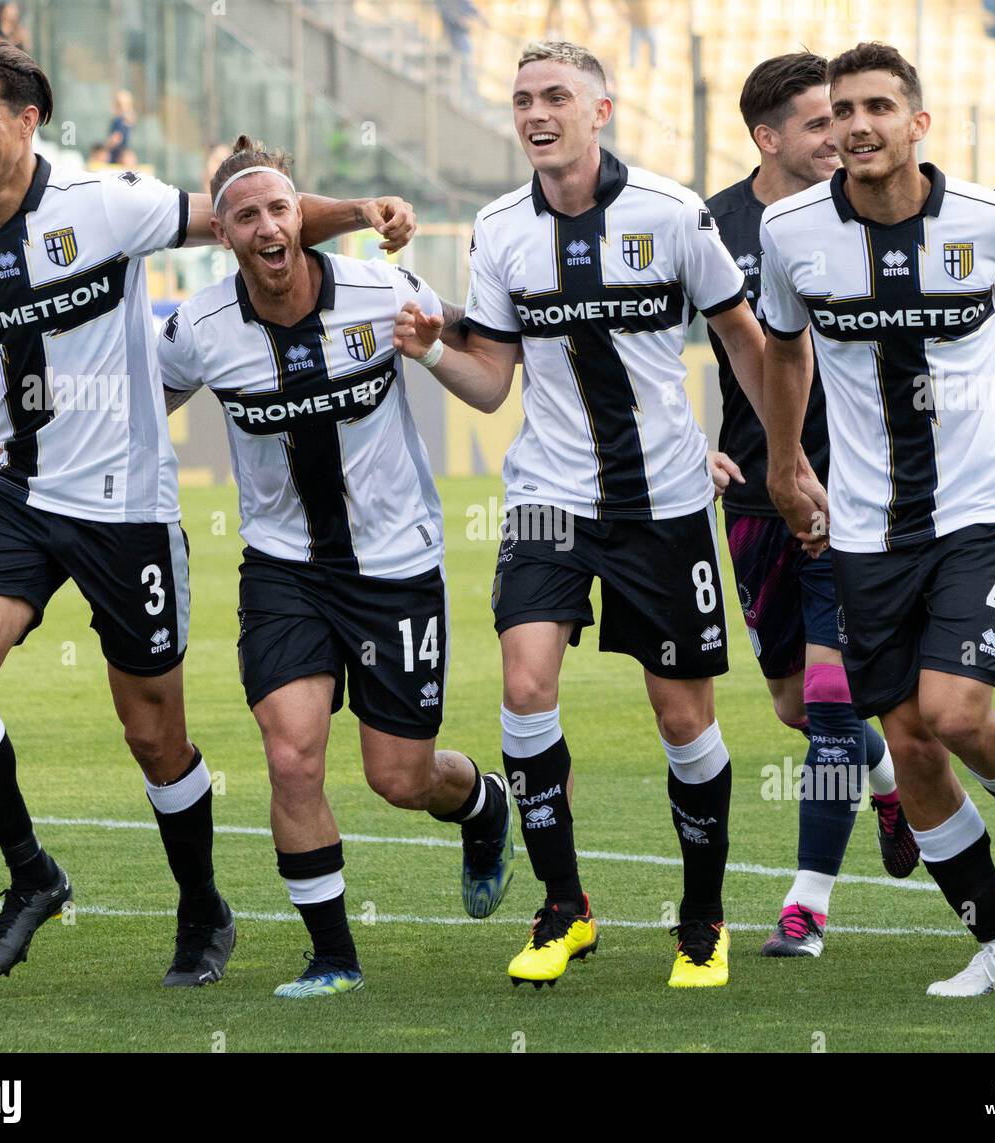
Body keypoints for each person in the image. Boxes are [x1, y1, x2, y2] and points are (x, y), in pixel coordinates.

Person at [0, 40, 416, 987]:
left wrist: (362, 214)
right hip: (22, 497)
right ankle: (32, 874)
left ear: (28, 121)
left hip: (129, 511)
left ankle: (202, 909)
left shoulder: (107, 204)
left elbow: (246, 220)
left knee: (153, 732)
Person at [396, 41, 772, 990]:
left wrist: (792, 456)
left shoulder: (672, 211)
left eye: (556, 95)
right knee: (524, 690)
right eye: (523, 98)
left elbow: (746, 338)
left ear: (600, 111)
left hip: (665, 504)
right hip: (547, 498)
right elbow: (491, 382)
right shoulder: (499, 228)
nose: (536, 112)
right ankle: (565, 907)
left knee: (680, 716)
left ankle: (702, 917)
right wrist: (433, 351)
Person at [759, 41, 995, 997]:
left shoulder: (989, 218)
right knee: (910, 740)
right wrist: (787, 462)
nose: (857, 126)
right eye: (841, 112)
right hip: (868, 520)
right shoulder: (793, 230)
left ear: (918, 123)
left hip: (974, 498)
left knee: (954, 712)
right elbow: (786, 354)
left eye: (878, 107)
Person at [153, 137, 514, 999]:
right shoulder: (200, 326)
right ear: (225, 234)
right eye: (246, 215)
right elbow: (140, 401)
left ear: (299, 216)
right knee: (292, 754)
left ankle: (480, 803)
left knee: (400, 777)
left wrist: (437, 342)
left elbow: (474, 347)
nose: (268, 225)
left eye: (281, 208)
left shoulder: (379, 288)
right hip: (283, 569)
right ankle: (333, 954)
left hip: (396, 567)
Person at [705, 53, 917, 960]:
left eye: (845, 118)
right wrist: (689, 444)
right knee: (796, 703)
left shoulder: (872, 209)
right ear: (768, 137)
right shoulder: (709, 223)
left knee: (831, 703)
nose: (840, 136)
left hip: (859, 488)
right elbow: (632, 342)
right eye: (818, 122)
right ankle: (892, 774)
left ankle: (806, 905)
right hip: (756, 492)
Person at [107, 91, 134, 166]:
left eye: (125, 105)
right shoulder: (119, 121)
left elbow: (116, 139)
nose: (122, 108)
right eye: (119, 105)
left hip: (119, 156)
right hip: (118, 155)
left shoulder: (120, 121)